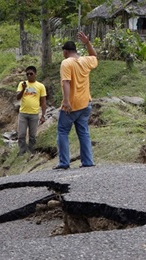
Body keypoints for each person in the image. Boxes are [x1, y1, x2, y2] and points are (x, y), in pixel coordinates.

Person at [53, 32, 98, 170]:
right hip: (86, 104)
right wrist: (87, 43)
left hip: (72, 105)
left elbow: (66, 82)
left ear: (65, 52)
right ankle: (87, 161)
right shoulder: (85, 60)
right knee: (83, 132)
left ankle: (64, 162)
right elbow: (94, 56)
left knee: (62, 131)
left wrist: (66, 101)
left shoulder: (66, 63)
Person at [15, 65, 46, 156]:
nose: (29, 76)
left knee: (32, 135)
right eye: (27, 74)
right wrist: (24, 89)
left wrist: (43, 115)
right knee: (21, 134)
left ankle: (31, 150)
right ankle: (22, 151)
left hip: (34, 114)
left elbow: (43, 101)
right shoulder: (22, 84)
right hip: (23, 113)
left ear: (35, 74)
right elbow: (17, 97)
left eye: (31, 74)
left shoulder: (40, 86)